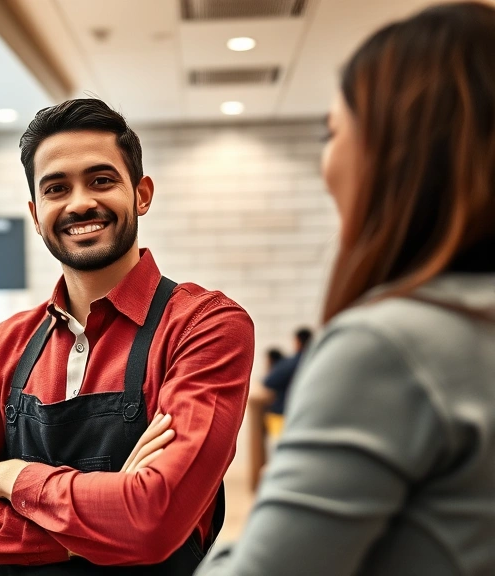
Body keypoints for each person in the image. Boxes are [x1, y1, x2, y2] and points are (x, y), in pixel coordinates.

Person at [196, 3, 495, 574]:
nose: (324, 163)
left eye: (331, 132)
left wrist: (25, 479)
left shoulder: (390, 349)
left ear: (395, 153)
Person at [0, 98, 255, 573]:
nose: (79, 203)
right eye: (57, 188)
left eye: (101, 180)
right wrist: (106, 525)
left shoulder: (205, 326)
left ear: (141, 194)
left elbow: (154, 519)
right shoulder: (3, 347)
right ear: (36, 214)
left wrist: (14, 477)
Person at [261, 327, 312, 436]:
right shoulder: (319, 362)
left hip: (284, 416)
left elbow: (268, 382)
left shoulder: (289, 364)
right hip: (309, 418)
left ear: (297, 341)